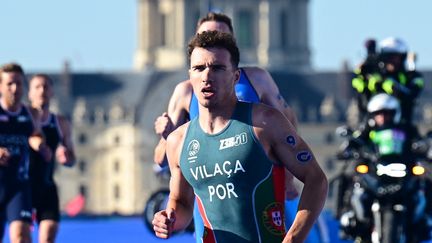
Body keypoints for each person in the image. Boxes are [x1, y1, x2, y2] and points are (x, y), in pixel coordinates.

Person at [152, 30, 328, 242]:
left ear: (235, 76)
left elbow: (316, 180)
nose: (206, 76)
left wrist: (293, 238)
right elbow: (181, 203)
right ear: (190, 76)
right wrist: (167, 218)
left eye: (217, 68)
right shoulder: (178, 141)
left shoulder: (265, 123)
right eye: (198, 68)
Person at [0, 63, 51, 243]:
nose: (15, 89)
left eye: (19, 84)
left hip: (18, 185)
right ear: (0, 86)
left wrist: (40, 145)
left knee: (21, 234)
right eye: (10, 84)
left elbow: (36, 135)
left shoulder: (30, 113)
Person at [28, 74, 76, 243]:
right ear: (30, 93)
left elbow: (72, 159)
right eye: (37, 87)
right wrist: (39, 146)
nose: (42, 91)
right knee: (21, 237)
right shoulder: (23, 118)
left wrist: (66, 157)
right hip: (23, 186)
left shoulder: (60, 122)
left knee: (48, 235)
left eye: (46, 87)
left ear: (52, 92)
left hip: (46, 186)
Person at [352, 37, 424, 125]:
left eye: (396, 57)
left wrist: (392, 86)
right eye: (388, 57)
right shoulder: (374, 75)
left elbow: (413, 92)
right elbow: (358, 86)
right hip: (371, 125)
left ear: (402, 58)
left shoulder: (412, 76)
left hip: (402, 126)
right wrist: (362, 72)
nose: (392, 61)